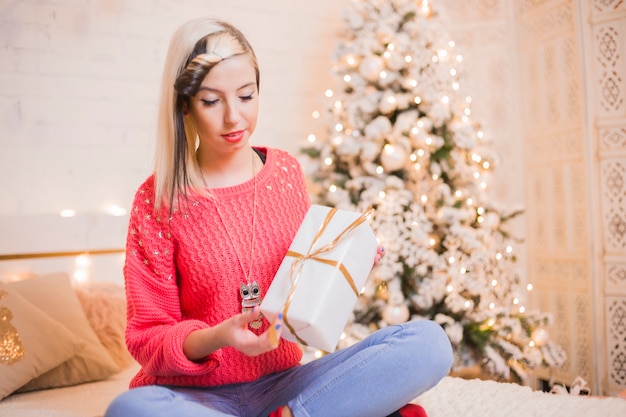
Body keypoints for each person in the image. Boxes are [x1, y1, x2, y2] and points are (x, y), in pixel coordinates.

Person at [104, 17, 453, 417]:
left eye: (246, 96)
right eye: (212, 101)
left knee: (428, 343)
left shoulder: (285, 173)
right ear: (185, 105)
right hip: (195, 398)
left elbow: (300, 296)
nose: (234, 117)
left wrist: (343, 267)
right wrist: (218, 337)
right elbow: (148, 339)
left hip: (284, 385)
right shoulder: (158, 200)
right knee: (130, 409)